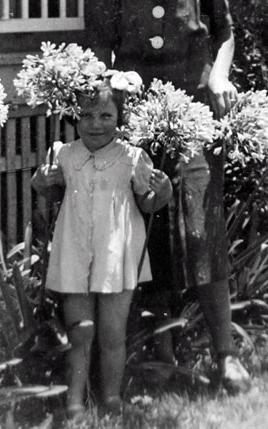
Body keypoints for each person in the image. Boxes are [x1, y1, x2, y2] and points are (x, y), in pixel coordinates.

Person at [83, 0, 252, 393]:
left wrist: (221, 77)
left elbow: (224, 31)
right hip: (134, 125)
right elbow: (101, 53)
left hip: (196, 116)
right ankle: (162, 353)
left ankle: (225, 354)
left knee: (203, 230)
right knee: (146, 232)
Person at [31, 78, 173, 417]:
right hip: (75, 252)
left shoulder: (132, 157)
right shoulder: (62, 154)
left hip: (116, 256)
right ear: (75, 117)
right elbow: (46, 191)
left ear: (120, 118)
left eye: (106, 116)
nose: (96, 123)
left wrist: (163, 190)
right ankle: (75, 403)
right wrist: (41, 179)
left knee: (112, 334)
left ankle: (110, 399)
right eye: (87, 115)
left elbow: (149, 203)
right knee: (80, 334)